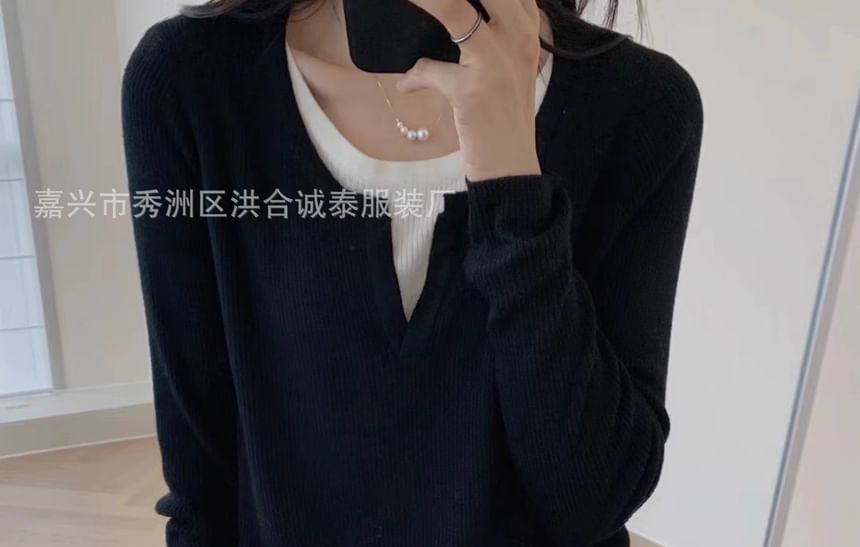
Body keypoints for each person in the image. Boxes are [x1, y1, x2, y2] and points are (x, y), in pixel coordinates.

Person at [121, 0, 704, 545]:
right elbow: (201, 485)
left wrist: (513, 182)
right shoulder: (191, 80)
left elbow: (593, 500)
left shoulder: (642, 105)